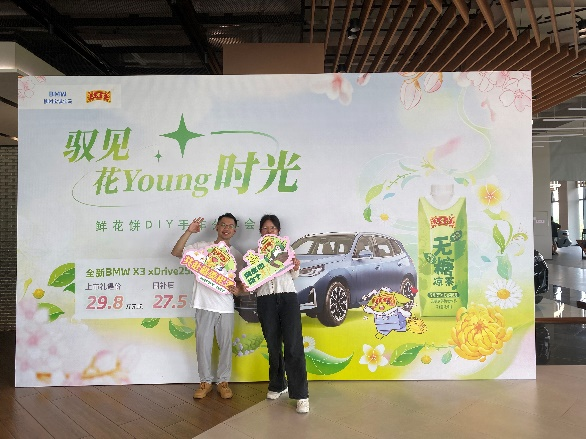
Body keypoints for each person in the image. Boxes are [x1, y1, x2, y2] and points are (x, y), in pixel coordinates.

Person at [171, 213, 244, 400]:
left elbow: (244, 285)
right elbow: (177, 252)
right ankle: (205, 382)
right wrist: (189, 231)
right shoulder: (202, 248)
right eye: (223, 225)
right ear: (217, 227)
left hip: (226, 307)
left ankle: (223, 382)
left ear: (234, 231)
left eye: (230, 226)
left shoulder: (236, 255)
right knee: (202, 345)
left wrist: (238, 291)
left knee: (225, 346)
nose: (226, 228)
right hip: (203, 304)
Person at [254, 214, 309, 414]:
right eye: (265, 228)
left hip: (287, 297)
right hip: (265, 299)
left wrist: (296, 266)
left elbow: (293, 275)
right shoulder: (254, 255)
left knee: (293, 345)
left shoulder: (287, 250)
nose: (269, 231)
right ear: (260, 232)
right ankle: (278, 385)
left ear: (278, 232)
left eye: (272, 228)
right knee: (273, 345)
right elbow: (251, 281)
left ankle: (301, 395)